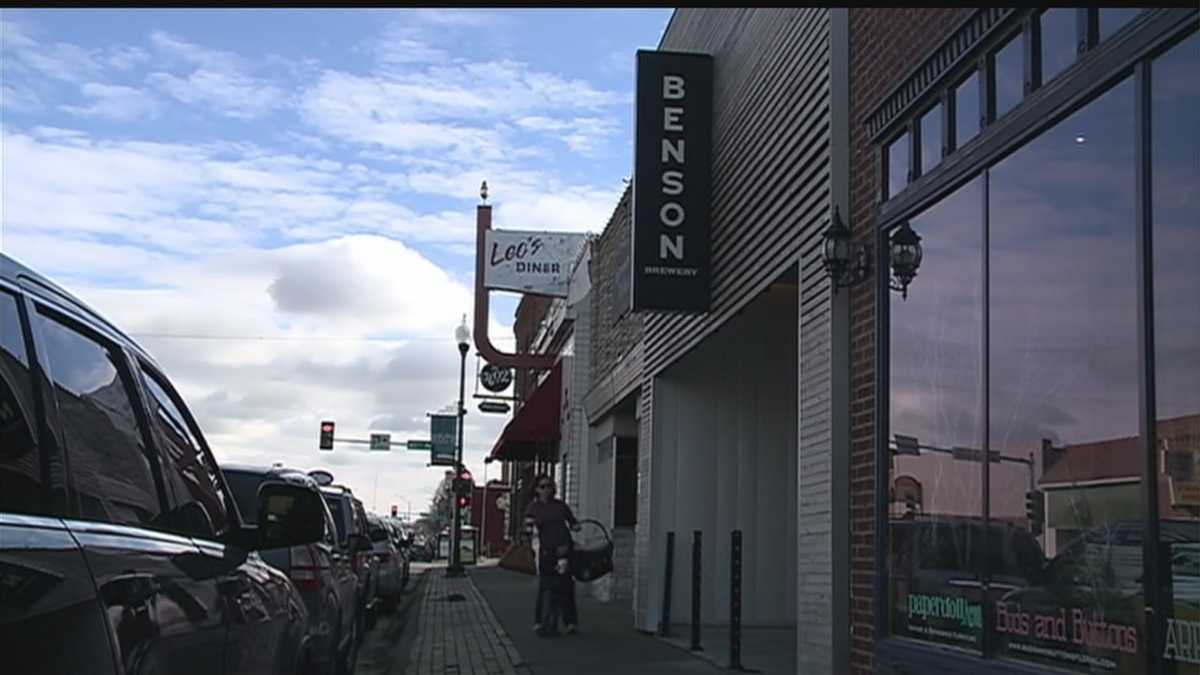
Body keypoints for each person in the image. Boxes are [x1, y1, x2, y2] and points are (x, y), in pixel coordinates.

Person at [523, 473, 580, 637]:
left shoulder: (560, 506)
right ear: (536, 490)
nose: (546, 490)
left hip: (564, 550)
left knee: (566, 585)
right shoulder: (533, 508)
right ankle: (541, 621)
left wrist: (575, 527)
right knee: (545, 586)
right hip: (547, 551)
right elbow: (527, 528)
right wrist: (526, 541)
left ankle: (570, 622)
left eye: (549, 486)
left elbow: (572, 521)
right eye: (542, 487)